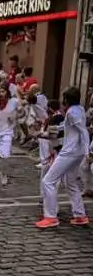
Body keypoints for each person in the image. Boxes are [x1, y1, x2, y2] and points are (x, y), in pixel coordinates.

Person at [36, 86, 90, 229]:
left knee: (48, 180)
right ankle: (80, 215)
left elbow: (83, 131)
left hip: (70, 152)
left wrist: (87, 152)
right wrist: (49, 132)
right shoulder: (80, 109)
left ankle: (51, 216)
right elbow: (67, 127)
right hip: (76, 152)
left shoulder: (72, 112)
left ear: (67, 99)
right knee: (70, 182)